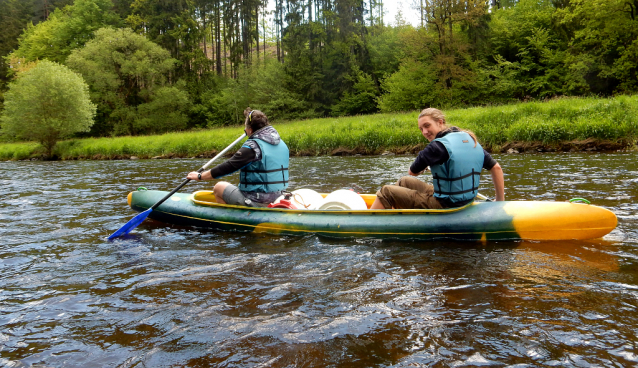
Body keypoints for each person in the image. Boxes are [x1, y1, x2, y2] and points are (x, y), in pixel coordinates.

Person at [370, 108, 504, 210]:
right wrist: (499, 200)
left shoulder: (436, 147)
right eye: (421, 129)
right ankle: (401, 216)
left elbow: (413, 171)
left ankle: (370, 221)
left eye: (427, 126)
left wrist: (426, 166)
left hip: (445, 204)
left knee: (386, 191)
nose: (424, 132)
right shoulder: (469, 139)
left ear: (440, 122)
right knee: (404, 181)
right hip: (465, 200)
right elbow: (496, 168)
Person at [187, 108, 289, 207]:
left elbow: (228, 167)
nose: (245, 130)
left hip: (256, 200)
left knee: (219, 187)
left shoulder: (252, 147)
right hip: (278, 197)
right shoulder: (282, 144)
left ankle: (228, 219)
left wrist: (200, 176)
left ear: (250, 129)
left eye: (245, 127)